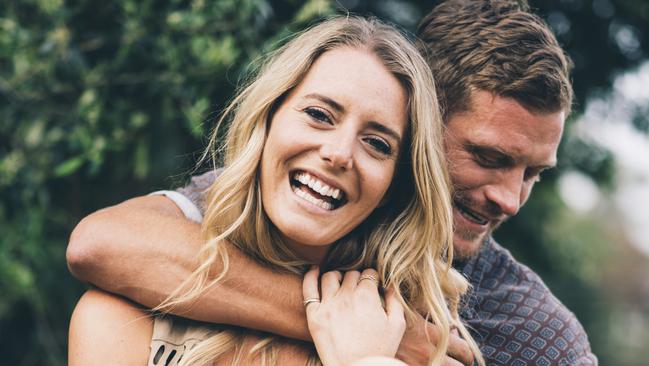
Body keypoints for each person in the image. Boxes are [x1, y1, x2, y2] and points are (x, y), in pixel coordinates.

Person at [67, 1, 598, 364]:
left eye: (531, 174)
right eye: (487, 156)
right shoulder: (252, 202)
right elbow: (103, 244)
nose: (509, 198)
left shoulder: (531, 333)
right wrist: (371, 328)